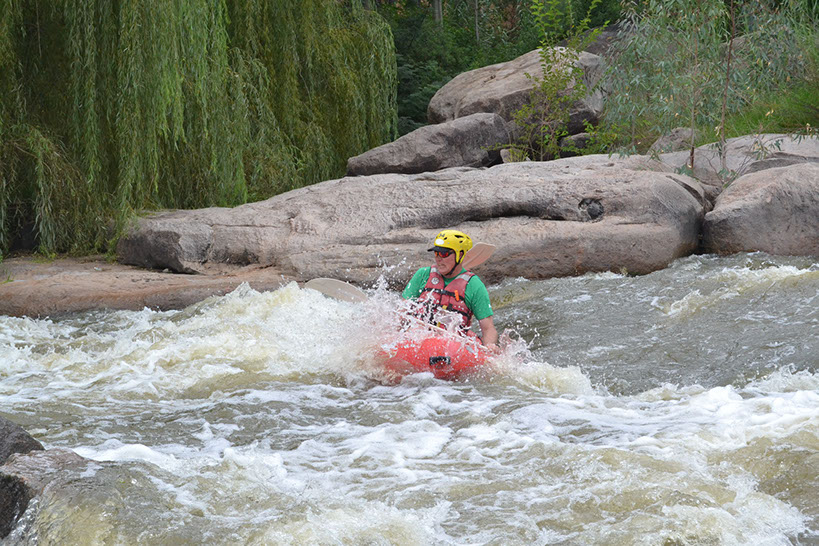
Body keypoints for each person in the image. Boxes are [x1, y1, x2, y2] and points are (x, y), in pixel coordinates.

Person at [402, 229, 499, 352]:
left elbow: (488, 328)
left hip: (452, 347)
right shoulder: (423, 274)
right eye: (436, 253)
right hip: (419, 339)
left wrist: (490, 346)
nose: (438, 259)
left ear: (460, 255)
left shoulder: (474, 285)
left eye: (444, 254)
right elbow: (402, 311)